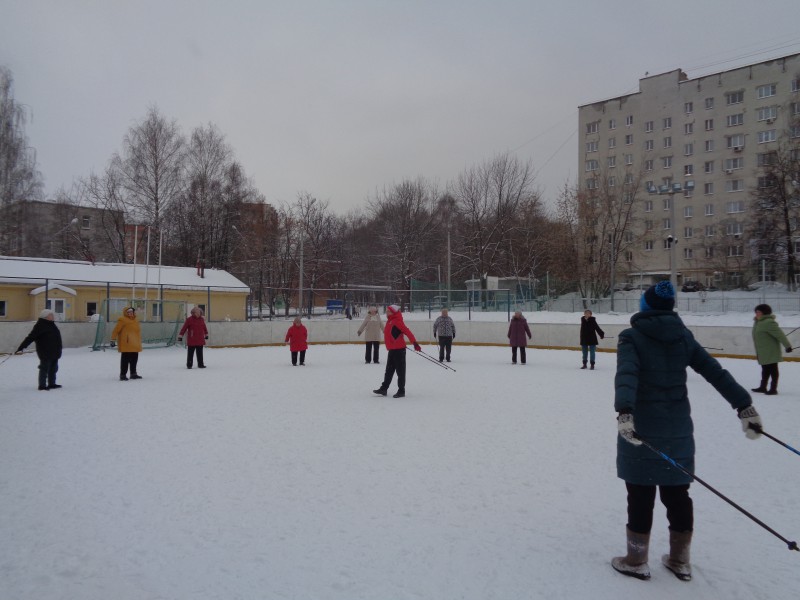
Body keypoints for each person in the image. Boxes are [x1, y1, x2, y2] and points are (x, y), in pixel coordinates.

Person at [613, 281, 762, 582]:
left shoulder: (632, 336)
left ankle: (636, 559)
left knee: (640, 494)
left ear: (645, 307)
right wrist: (744, 406)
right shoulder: (682, 336)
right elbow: (714, 372)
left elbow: (627, 374)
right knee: (677, 494)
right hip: (678, 430)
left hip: (642, 430)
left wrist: (625, 411)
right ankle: (680, 560)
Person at [373, 304, 421, 398]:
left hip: (399, 350)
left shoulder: (397, 321)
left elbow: (407, 331)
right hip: (392, 350)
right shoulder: (390, 321)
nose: (386, 313)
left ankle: (401, 390)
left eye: (388, 311)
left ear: (393, 312)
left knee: (400, 372)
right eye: (386, 311)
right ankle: (384, 389)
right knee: (389, 371)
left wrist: (414, 343)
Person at [16, 309, 63, 390]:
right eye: (50, 315)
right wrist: (22, 347)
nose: (52, 316)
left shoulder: (52, 324)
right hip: (45, 351)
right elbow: (31, 337)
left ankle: (52, 383)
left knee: (53, 368)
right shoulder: (40, 325)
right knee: (44, 368)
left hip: (55, 350)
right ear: (45, 316)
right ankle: (42, 385)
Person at [751, 304, 792, 395]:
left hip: (771, 351)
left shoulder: (768, 322)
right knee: (765, 369)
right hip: (762, 351)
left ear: (764, 312)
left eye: (759, 312)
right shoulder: (758, 322)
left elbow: (780, 335)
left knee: (773, 369)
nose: (757, 314)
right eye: (756, 312)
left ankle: (773, 389)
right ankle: (763, 387)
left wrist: (787, 346)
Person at [110, 306, 143, 380]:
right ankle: (123, 375)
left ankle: (133, 374)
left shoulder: (135, 320)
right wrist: (112, 339)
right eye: (128, 312)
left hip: (135, 343)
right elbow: (116, 330)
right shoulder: (122, 320)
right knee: (125, 360)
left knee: (134, 359)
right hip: (126, 344)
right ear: (126, 313)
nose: (130, 313)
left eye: (131, 312)